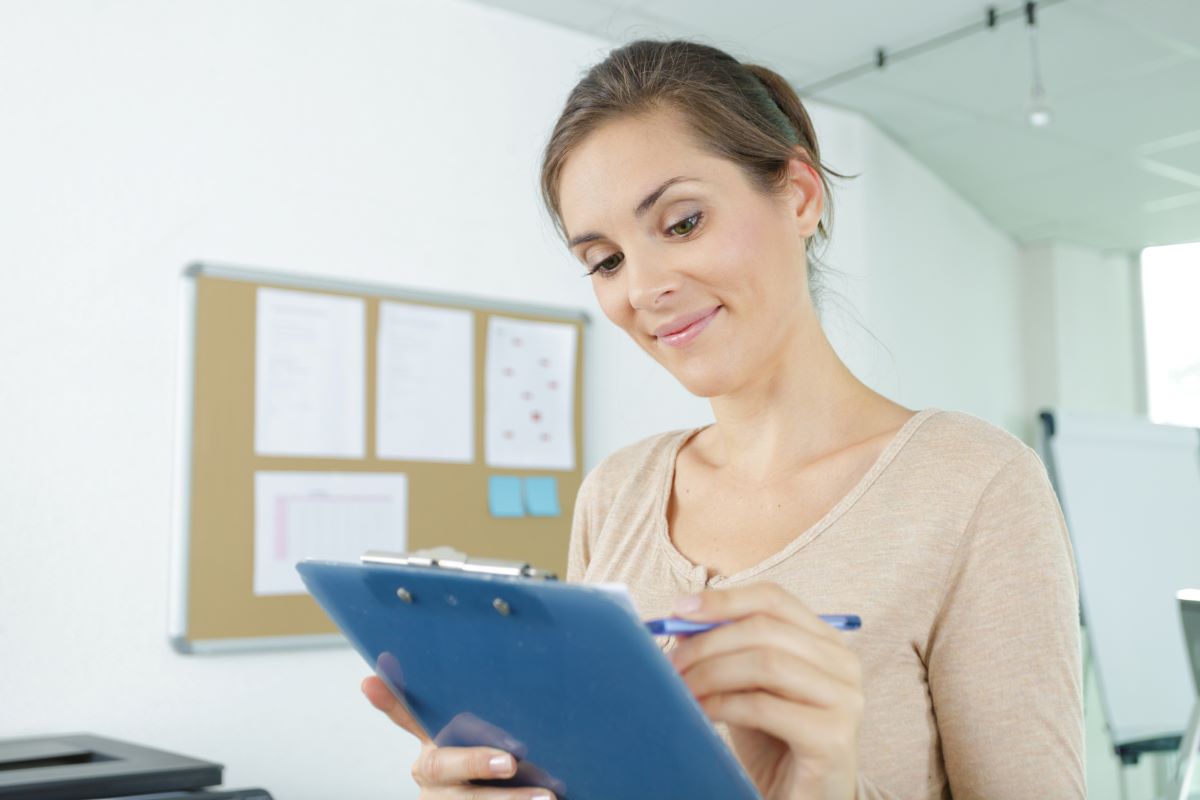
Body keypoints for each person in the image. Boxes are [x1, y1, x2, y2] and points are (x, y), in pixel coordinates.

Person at [361, 39, 1085, 799]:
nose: (643, 288)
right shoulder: (616, 493)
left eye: (682, 223)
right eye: (606, 261)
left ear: (799, 196)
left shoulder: (974, 486)